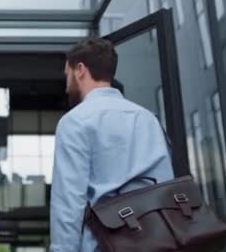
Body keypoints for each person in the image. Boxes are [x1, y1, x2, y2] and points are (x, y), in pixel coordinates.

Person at [50, 39, 173, 251]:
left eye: (67, 74)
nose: (66, 83)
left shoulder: (75, 122)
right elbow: (165, 185)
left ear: (80, 70)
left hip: (104, 244)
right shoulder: (147, 118)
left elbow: (69, 204)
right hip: (156, 241)